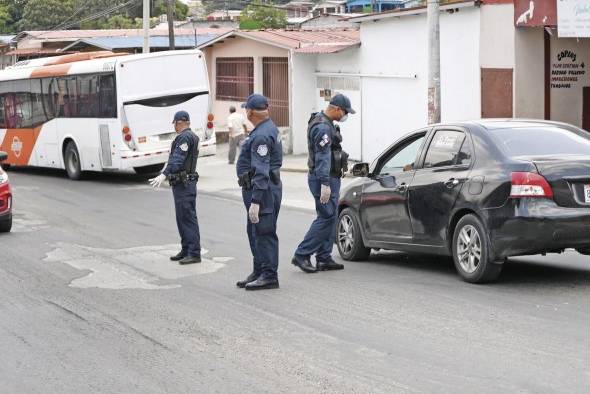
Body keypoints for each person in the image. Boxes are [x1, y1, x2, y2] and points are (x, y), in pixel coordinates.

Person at [292, 93, 353, 273]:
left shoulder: (325, 123)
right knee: (326, 217)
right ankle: (301, 254)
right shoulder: (322, 127)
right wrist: (325, 183)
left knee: (331, 216)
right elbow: (322, 157)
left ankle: (324, 257)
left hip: (330, 177)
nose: (345, 115)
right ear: (336, 109)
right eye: (345, 112)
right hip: (323, 179)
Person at [235, 94, 283, 290]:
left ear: (250, 111)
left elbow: (261, 170)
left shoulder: (262, 135)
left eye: (246, 109)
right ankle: (259, 270)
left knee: (264, 232)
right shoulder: (265, 128)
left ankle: (269, 275)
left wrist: (256, 201)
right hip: (260, 189)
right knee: (254, 231)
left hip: (262, 191)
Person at [149, 110, 202, 265]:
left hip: (184, 184)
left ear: (179, 122)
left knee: (187, 218)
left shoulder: (185, 137)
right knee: (182, 218)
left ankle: (193, 253)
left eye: (175, 124)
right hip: (183, 183)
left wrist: (164, 174)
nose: (174, 127)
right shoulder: (191, 136)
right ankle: (186, 249)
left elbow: (177, 160)